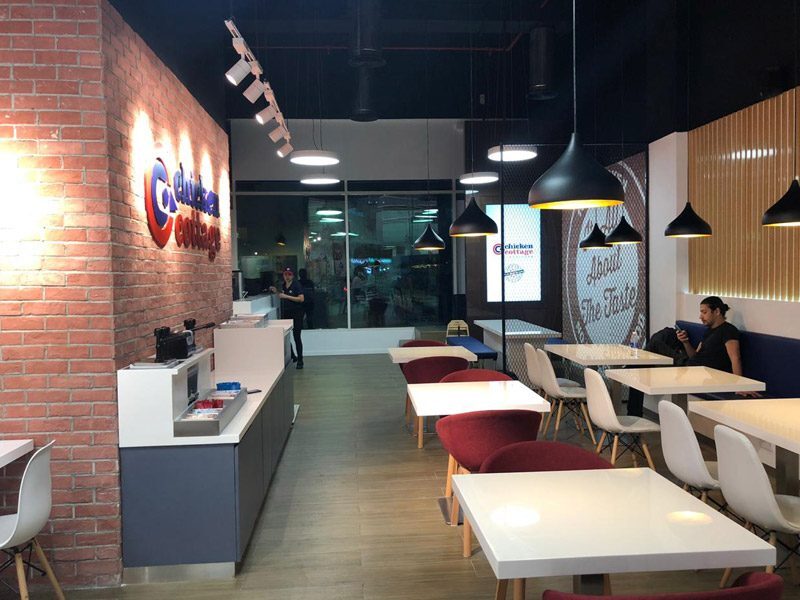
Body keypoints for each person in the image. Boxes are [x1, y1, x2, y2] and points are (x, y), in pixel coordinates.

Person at [627, 296, 753, 416]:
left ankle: (631, 370)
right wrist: (685, 342)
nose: (700, 317)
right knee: (666, 333)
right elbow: (695, 355)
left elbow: (735, 357)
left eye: (704, 312)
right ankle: (633, 369)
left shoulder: (728, 331)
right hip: (691, 365)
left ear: (717, 311)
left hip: (698, 372)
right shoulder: (709, 331)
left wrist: (740, 385)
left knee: (654, 345)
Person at [270, 268, 305, 369]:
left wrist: (286, 296)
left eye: (289, 274)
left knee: (296, 337)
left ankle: (300, 360)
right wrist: (276, 291)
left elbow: (301, 298)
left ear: (292, 276)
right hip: (286, 314)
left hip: (296, 314)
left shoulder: (296, 285)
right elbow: (282, 295)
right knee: (285, 336)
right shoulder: (283, 285)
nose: (287, 276)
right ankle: (293, 355)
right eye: (285, 274)